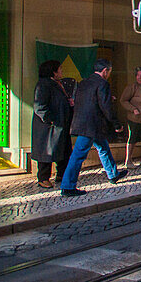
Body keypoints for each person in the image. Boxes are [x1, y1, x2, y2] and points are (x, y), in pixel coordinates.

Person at [60, 59, 128, 196]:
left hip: (84, 122)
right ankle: (67, 186)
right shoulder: (102, 83)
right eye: (109, 71)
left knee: (103, 147)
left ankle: (113, 174)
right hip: (91, 125)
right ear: (105, 71)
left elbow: (87, 101)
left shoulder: (84, 82)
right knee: (78, 155)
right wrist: (116, 124)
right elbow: (105, 107)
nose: (109, 74)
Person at [31, 59, 73, 189]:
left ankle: (61, 174)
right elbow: (40, 106)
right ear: (53, 72)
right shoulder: (43, 85)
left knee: (64, 150)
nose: (61, 71)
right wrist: (51, 119)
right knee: (46, 152)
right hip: (49, 127)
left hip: (60, 124)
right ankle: (43, 178)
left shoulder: (56, 84)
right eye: (59, 69)